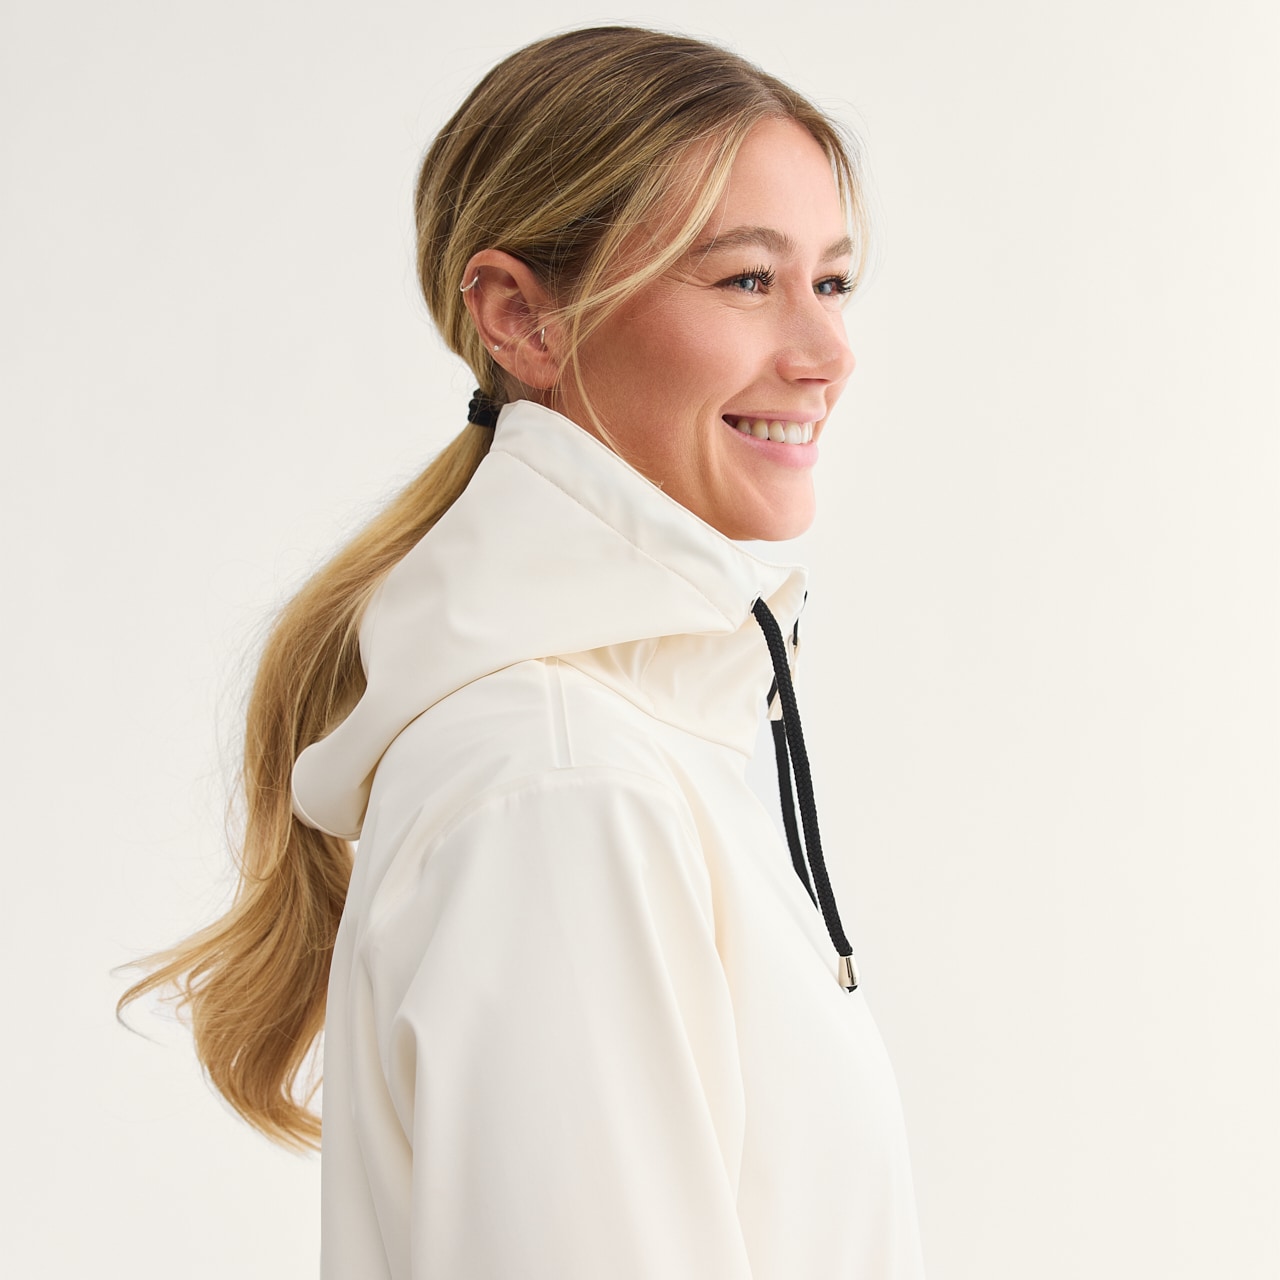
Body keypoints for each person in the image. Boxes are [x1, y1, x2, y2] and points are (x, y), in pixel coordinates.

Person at [120, 25, 926, 1279]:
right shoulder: (559, 783)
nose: (826, 355)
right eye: (742, 279)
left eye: (829, 283)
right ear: (520, 317)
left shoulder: (636, 735)